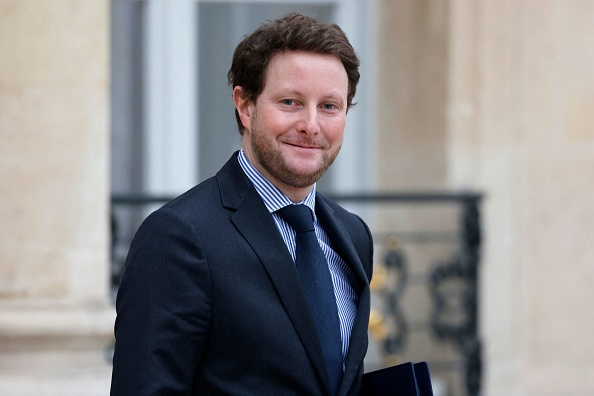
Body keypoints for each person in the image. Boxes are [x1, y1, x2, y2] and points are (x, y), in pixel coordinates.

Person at [110, 12, 373, 396]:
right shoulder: (178, 237)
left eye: (330, 106)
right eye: (290, 102)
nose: (311, 125)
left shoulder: (353, 236)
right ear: (245, 106)